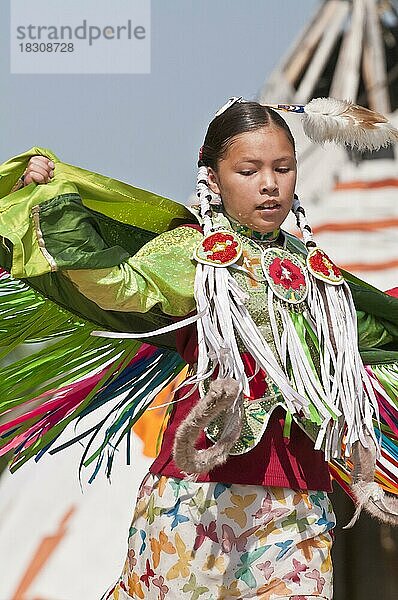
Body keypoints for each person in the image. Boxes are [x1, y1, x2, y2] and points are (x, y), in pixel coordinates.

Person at [4, 99, 398, 600]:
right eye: (248, 170)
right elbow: (120, 286)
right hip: (195, 501)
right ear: (212, 177)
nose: (269, 184)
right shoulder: (195, 256)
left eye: (283, 167)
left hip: (299, 506)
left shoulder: (319, 278)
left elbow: (380, 335)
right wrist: (52, 203)